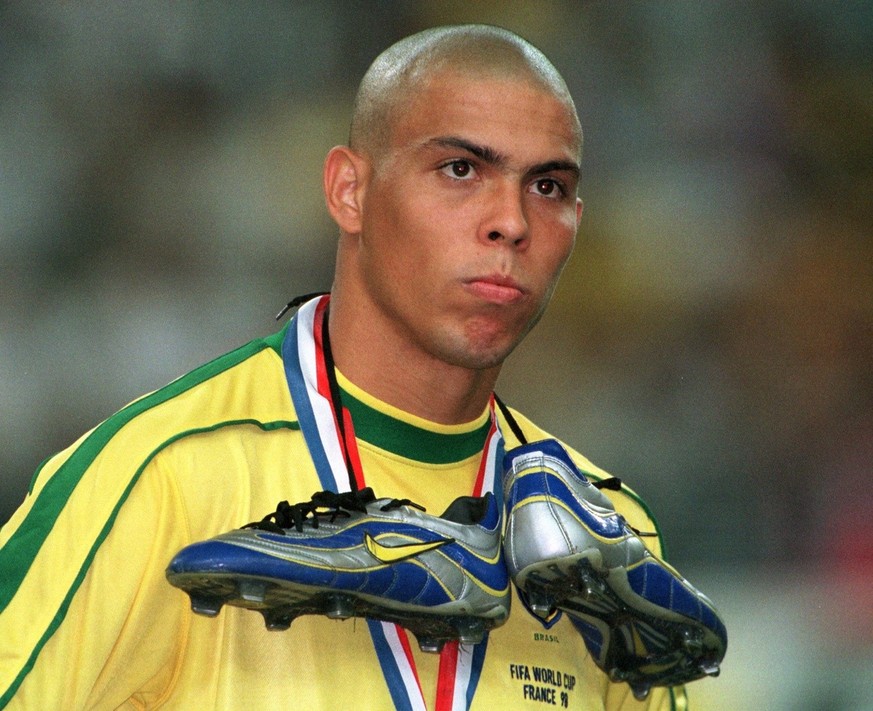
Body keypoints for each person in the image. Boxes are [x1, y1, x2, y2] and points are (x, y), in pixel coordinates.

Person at [0, 25, 721, 710]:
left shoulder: (601, 538)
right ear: (349, 190)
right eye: (461, 169)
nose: (511, 221)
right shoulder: (165, 475)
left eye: (547, 187)